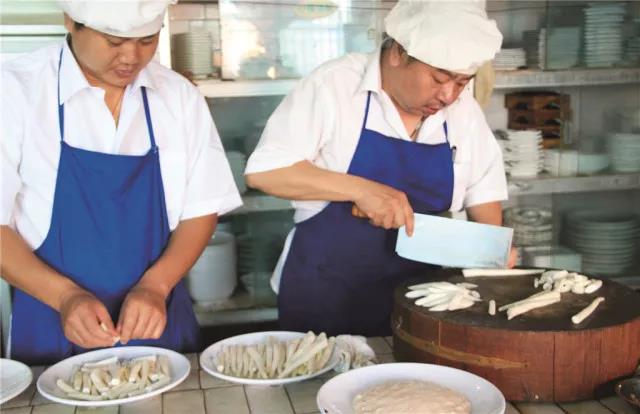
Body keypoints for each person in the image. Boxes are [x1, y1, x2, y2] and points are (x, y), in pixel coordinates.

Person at [244, 0, 512, 337]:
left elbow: (484, 190)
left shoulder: (463, 110)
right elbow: (266, 171)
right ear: (398, 52)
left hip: (422, 296)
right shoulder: (335, 86)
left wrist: (490, 257)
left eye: (461, 82)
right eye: (439, 78)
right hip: (326, 292)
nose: (448, 95)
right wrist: (362, 190)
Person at [0, 0, 242, 364]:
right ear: (70, 21)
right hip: (49, 319)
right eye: (114, 41)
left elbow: (202, 209)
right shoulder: (15, 91)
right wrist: (64, 296)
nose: (131, 56)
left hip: (157, 318)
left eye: (147, 40)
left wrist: (156, 285)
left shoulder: (178, 96)